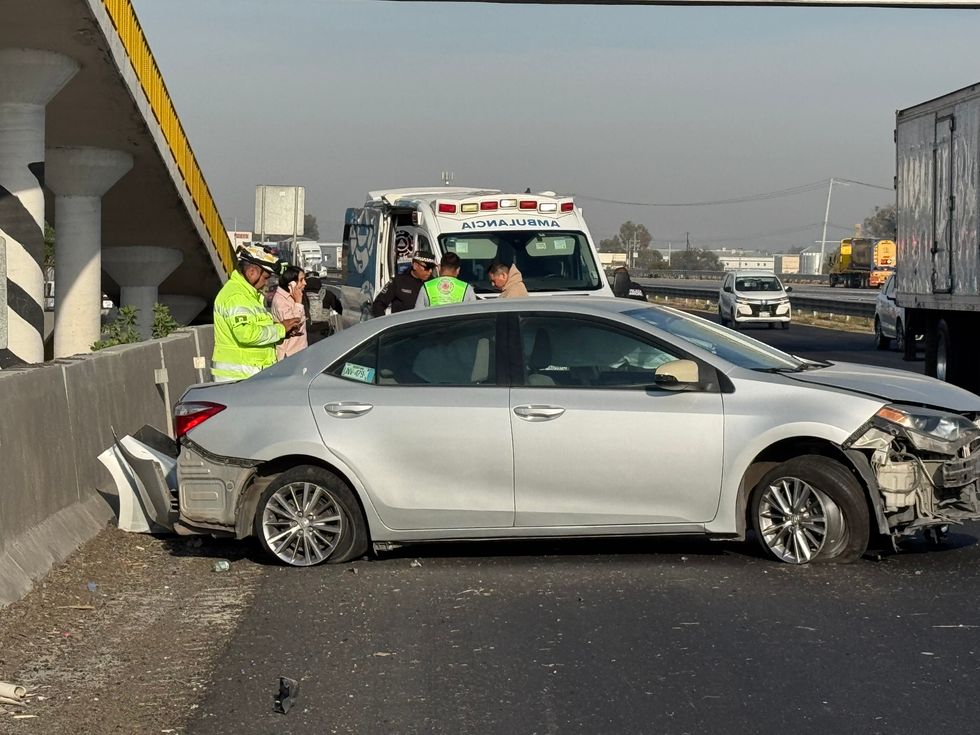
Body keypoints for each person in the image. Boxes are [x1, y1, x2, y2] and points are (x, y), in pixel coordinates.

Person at [211, 245, 302, 382]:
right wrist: (280, 329)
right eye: (266, 278)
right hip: (238, 378)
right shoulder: (236, 296)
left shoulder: (249, 295)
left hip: (248, 376)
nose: (266, 283)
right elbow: (246, 334)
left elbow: (255, 328)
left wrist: (282, 333)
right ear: (252, 272)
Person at [371, 251, 436, 316]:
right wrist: (385, 323)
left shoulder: (434, 284)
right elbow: (378, 304)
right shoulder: (398, 282)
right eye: (427, 267)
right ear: (415, 266)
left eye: (432, 267)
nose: (430, 271)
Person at [270, 265, 308, 359]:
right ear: (291, 284)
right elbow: (294, 327)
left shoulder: (294, 296)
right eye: (301, 280)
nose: (305, 283)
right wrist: (298, 303)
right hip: (289, 354)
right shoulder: (280, 301)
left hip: (300, 350)